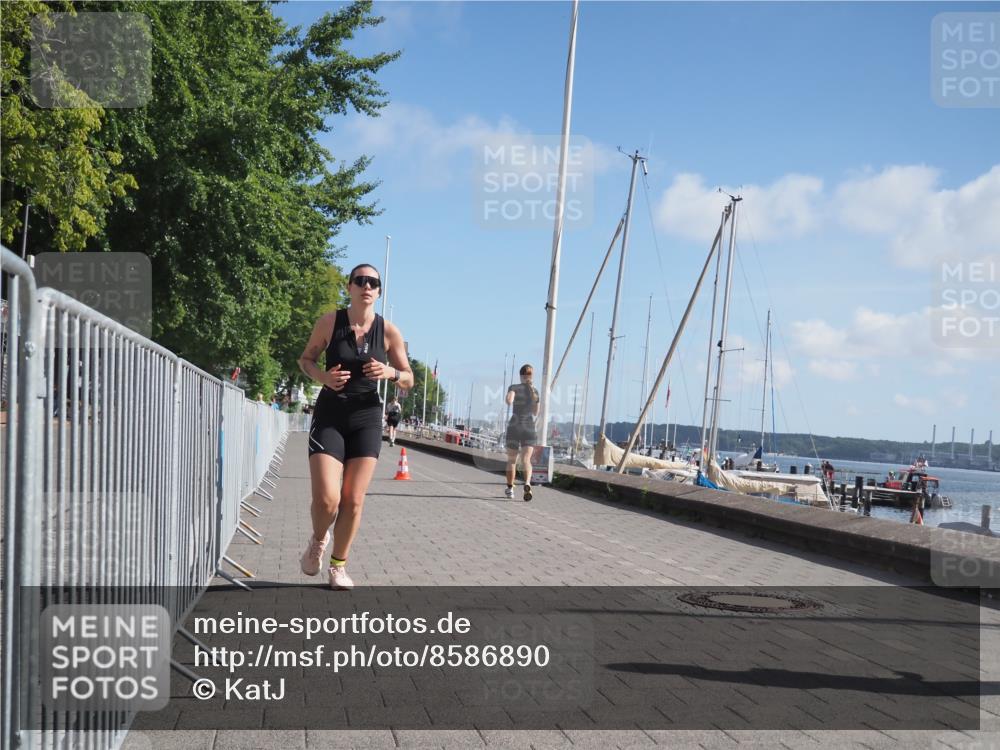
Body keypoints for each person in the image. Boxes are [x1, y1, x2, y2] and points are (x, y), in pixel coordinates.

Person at [296, 263, 413, 589]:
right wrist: (324, 377)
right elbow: (305, 359)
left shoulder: (388, 332)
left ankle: (338, 566)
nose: (367, 286)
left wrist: (390, 373)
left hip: (366, 417)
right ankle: (319, 540)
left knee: (354, 499)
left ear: (378, 291)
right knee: (327, 500)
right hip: (331, 413)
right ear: (349, 287)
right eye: (360, 280)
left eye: (373, 282)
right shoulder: (330, 322)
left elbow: (408, 377)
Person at [504, 364, 539, 501]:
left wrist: (511, 397)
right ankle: (527, 483)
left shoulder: (514, 387)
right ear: (531, 376)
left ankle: (510, 489)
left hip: (515, 427)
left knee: (512, 460)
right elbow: (536, 412)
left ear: (521, 376)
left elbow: (509, 400)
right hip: (529, 428)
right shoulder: (535, 391)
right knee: (526, 460)